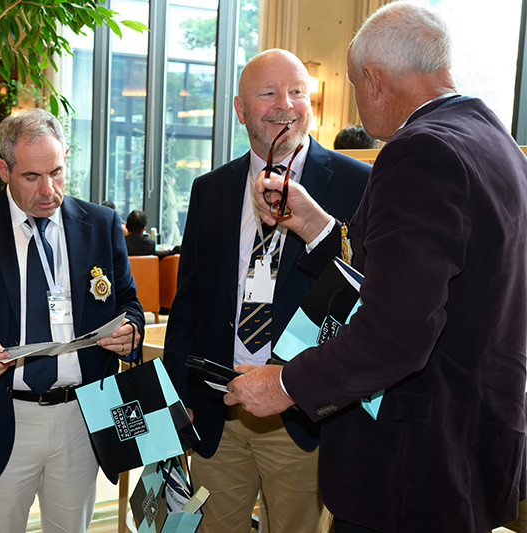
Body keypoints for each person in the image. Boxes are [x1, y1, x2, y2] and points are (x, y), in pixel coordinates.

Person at [232, 3, 527, 532]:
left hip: (411, 467)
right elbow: (411, 279)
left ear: (373, 80)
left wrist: (287, 384)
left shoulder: (419, 152)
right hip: (473, 442)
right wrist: (316, 226)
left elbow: (396, 332)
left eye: (352, 84)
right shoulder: (494, 140)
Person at [162, 49, 370, 533]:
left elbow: (367, 292)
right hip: (219, 409)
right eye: (269, 93)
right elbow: (188, 301)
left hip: (301, 414)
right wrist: (177, 393)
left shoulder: (357, 184)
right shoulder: (211, 189)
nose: (286, 104)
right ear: (240, 109)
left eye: (297, 92)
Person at [0, 107, 145, 533]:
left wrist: (130, 332)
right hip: (3, 413)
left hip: (80, 415)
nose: (49, 190)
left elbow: (128, 302)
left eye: (57, 172)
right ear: (3, 169)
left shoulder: (100, 224)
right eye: (31, 177)